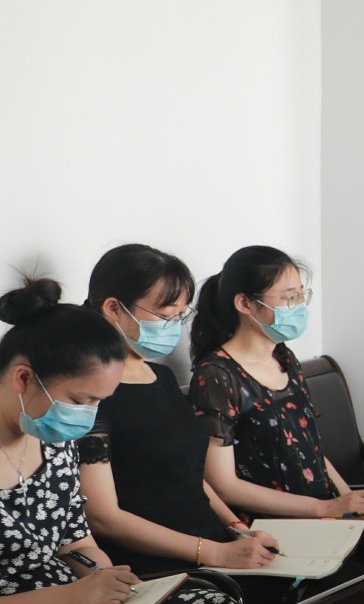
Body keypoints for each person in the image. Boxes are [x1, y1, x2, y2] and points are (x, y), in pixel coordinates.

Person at [0, 282, 245, 604]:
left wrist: (107, 578)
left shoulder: (51, 442)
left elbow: (75, 539)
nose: (87, 417)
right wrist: (75, 598)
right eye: (81, 400)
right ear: (23, 378)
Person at [76, 245, 280, 578]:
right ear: (114, 308)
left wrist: (237, 528)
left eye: (180, 315)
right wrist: (214, 553)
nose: (174, 326)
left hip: (214, 548)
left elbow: (189, 474)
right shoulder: (89, 395)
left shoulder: (162, 376)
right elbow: (104, 518)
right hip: (158, 567)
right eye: (166, 315)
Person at [189, 245, 364, 520]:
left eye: (301, 296)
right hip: (275, 527)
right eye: (289, 298)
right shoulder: (217, 374)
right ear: (244, 304)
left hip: (326, 517)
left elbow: (310, 449)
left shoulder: (284, 357)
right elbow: (224, 486)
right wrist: (322, 508)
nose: (298, 307)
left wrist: (350, 506)